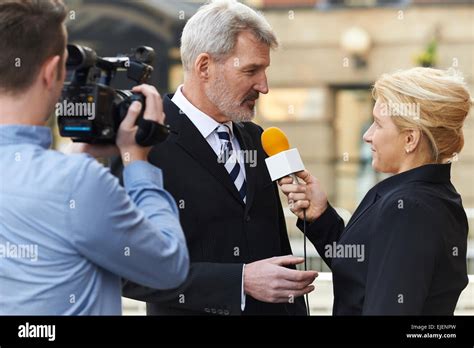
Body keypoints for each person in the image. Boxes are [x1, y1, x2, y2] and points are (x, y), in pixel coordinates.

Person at [121, 0, 317, 315]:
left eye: (265, 70)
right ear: (204, 66)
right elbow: (127, 267)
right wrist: (238, 281)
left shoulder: (257, 138)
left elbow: (277, 250)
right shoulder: (141, 140)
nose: (264, 86)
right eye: (251, 70)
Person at [0, 0, 189, 315]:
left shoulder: (68, 175)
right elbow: (169, 265)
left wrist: (76, 156)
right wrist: (137, 161)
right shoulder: (75, 182)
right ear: (51, 73)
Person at [279, 67, 471, 315]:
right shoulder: (422, 195)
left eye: (378, 124)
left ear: (410, 139)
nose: (367, 136)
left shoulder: (409, 208)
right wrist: (321, 216)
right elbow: (364, 269)